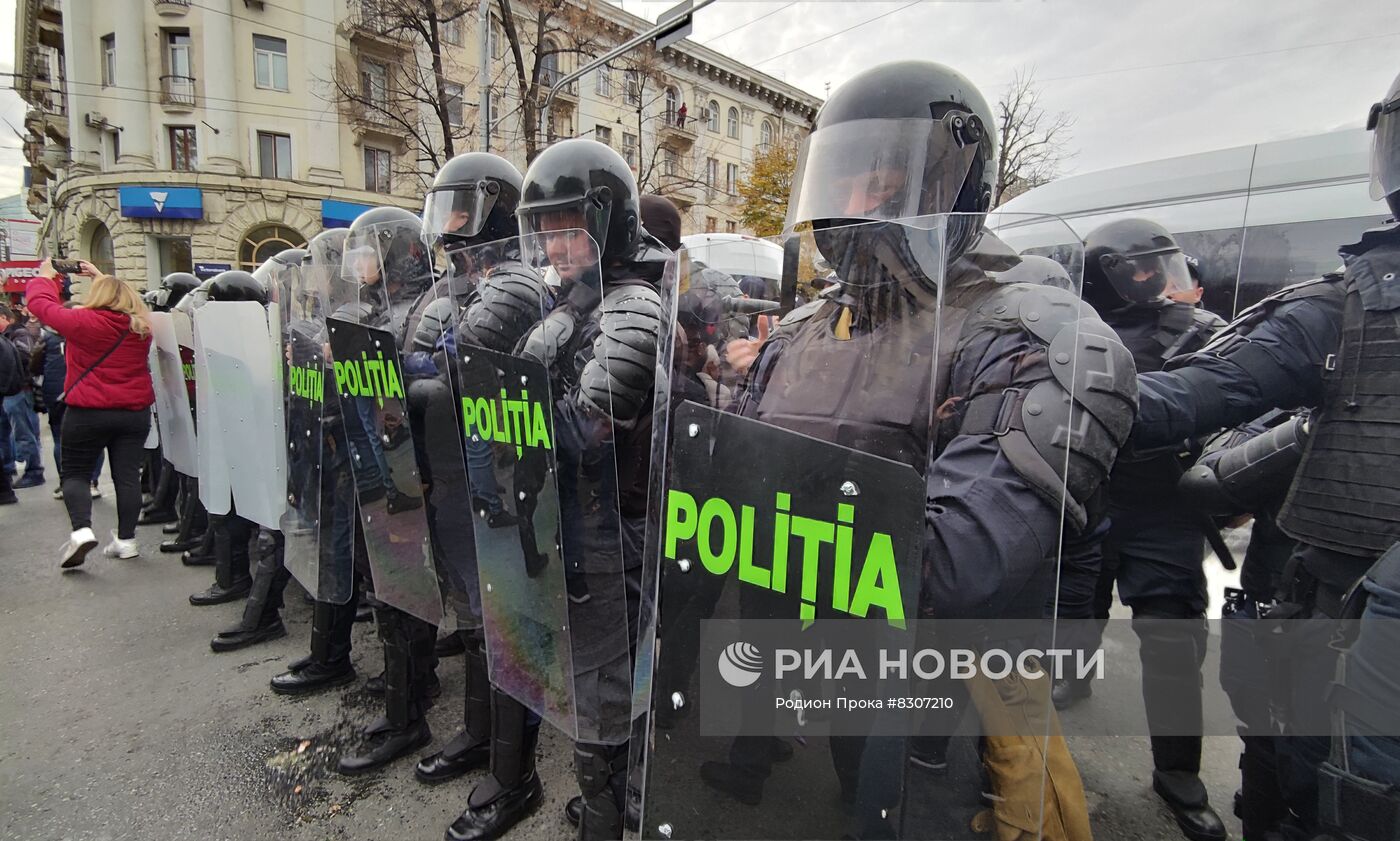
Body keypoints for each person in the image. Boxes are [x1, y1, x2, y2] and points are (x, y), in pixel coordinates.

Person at [649, 60, 1132, 841]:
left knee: (888, 788)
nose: (848, 206)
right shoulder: (805, 328)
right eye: (837, 181)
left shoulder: (1023, 326)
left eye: (877, 182)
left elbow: (959, 560)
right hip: (806, 617)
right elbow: (732, 465)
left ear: (949, 185)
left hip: (930, 672)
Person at [1127, 69, 1400, 841]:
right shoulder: (1344, 309)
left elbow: (1192, 400)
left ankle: (1182, 773)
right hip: (1315, 624)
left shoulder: (1337, 308)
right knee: (1291, 787)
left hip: (1327, 628)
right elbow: (1198, 401)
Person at [1057, 218, 1228, 841]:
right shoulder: (1071, 331)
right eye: (1142, 267)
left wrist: (1227, 473)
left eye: (1162, 264)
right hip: (1091, 495)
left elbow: (1242, 402)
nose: (1157, 277)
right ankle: (1073, 676)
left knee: (1173, 641)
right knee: (1077, 610)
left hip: (1166, 505)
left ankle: (1178, 771)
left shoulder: (1202, 331)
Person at [26, 259, 154, 569]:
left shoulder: (82, 322)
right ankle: (127, 541)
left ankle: (82, 531)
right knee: (127, 477)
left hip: (88, 411)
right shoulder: (141, 327)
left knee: (76, 473)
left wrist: (46, 277)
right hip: (133, 413)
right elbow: (121, 301)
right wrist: (101, 277)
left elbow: (40, 305)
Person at [31, 319, 106, 501]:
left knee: (60, 438)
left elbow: (34, 365)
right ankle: (91, 481)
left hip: (56, 392)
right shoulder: (90, 336)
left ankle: (67, 482)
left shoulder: (47, 338)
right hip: (88, 390)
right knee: (94, 439)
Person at [0, 302, 44, 488]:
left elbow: (27, 357)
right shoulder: (9, 336)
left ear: (5, 318)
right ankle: (7, 469)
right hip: (9, 390)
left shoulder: (19, 334)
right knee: (5, 433)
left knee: (24, 433)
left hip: (19, 389)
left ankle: (34, 471)